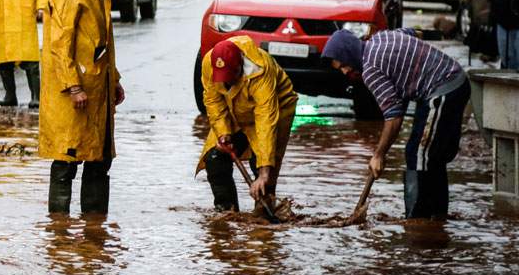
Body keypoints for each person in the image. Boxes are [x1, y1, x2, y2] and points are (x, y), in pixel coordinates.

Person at [322, 28, 471, 219]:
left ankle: (418, 220)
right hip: (454, 83)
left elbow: (393, 117)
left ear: (350, 54)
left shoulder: (371, 70)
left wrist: (379, 155)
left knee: (418, 154)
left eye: (344, 65)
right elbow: (413, 33)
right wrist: (435, 34)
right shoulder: (381, 36)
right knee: (432, 156)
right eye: (340, 69)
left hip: (443, 90)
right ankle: (437, 220)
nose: (345, 71)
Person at [39, 0, 134, 215]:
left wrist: (114, 80)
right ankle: (59, 225)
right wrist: (73, 87)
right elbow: (59, 44)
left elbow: (103, 45)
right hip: (74, 93)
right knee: (67, 158)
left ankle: (94, 226)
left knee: (99, 158)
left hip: (96, 89)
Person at [195, 37, 298, 214]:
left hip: (276, 109)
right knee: (215, 158)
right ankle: (227, 213)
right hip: (235, 111)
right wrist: (223, 133)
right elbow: (213, 101)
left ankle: (264, 217)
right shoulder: (209, 63)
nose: (227, 83)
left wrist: (264, 172)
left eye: (231, 77)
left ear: (240, 65)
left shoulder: (261, 70)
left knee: (261, 166)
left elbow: (266, 121)